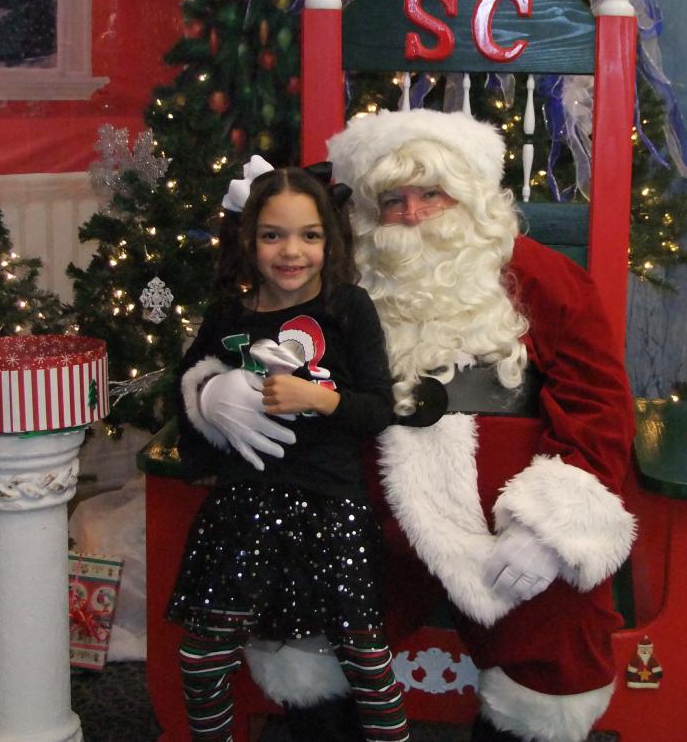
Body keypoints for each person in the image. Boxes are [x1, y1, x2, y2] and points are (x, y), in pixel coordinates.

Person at [245, 110, 638, 742]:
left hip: (500, 512)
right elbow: (249, 344)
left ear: (470, 198)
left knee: (556, 630)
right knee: (306, 611)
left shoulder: (542, 276)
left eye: (432, 194)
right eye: (392, 200)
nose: (412, 215)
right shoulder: (333, 277)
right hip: (359, 501)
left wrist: (551, 524)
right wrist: (219, 393)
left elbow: (598, 406)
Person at [169, 159, 410, 742]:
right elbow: (185, 399)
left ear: (329, 240)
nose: (291, 252)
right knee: (201, 659)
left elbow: (378, 408)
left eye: (309, 235)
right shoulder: (228, 315)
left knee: (367, 663)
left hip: (332, 508)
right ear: (249, 241)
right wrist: (209, 399)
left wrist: (317, 397)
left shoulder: (348, 307)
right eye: (273, 235)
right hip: (245, 509)